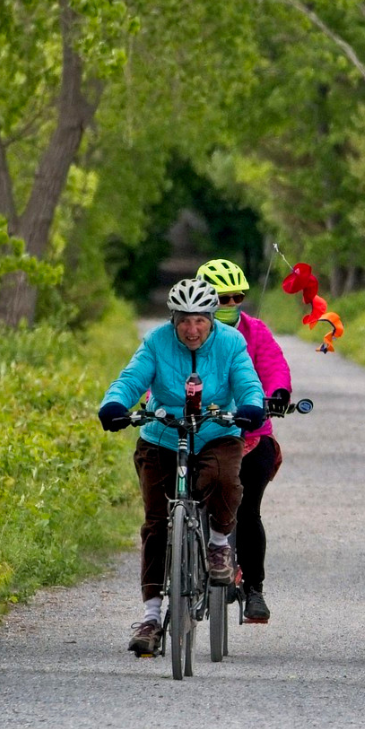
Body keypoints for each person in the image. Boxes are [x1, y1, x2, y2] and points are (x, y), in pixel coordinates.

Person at [97, 278, 265, 656]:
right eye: (184, 321)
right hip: (163, 435)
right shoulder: (157, 342)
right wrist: (114, 405)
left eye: (200, 321)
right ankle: (152, 617)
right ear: (173, 319)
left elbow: (248, 384)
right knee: (156, 524)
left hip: (215, 431)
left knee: (224, 479)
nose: (191, 330)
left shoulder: (231, 343)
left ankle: (219, 544)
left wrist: (251, 408)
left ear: (211, 318)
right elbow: (131, 379)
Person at [196, 258, 292, 625]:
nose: (230, 304)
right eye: (221, 297)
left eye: (236, 297)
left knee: (247, 510)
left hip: (250, 437)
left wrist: (279, 393)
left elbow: (273, 366)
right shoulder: (186, 332)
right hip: (200, 434)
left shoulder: (256, 331)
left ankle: (254, 589)